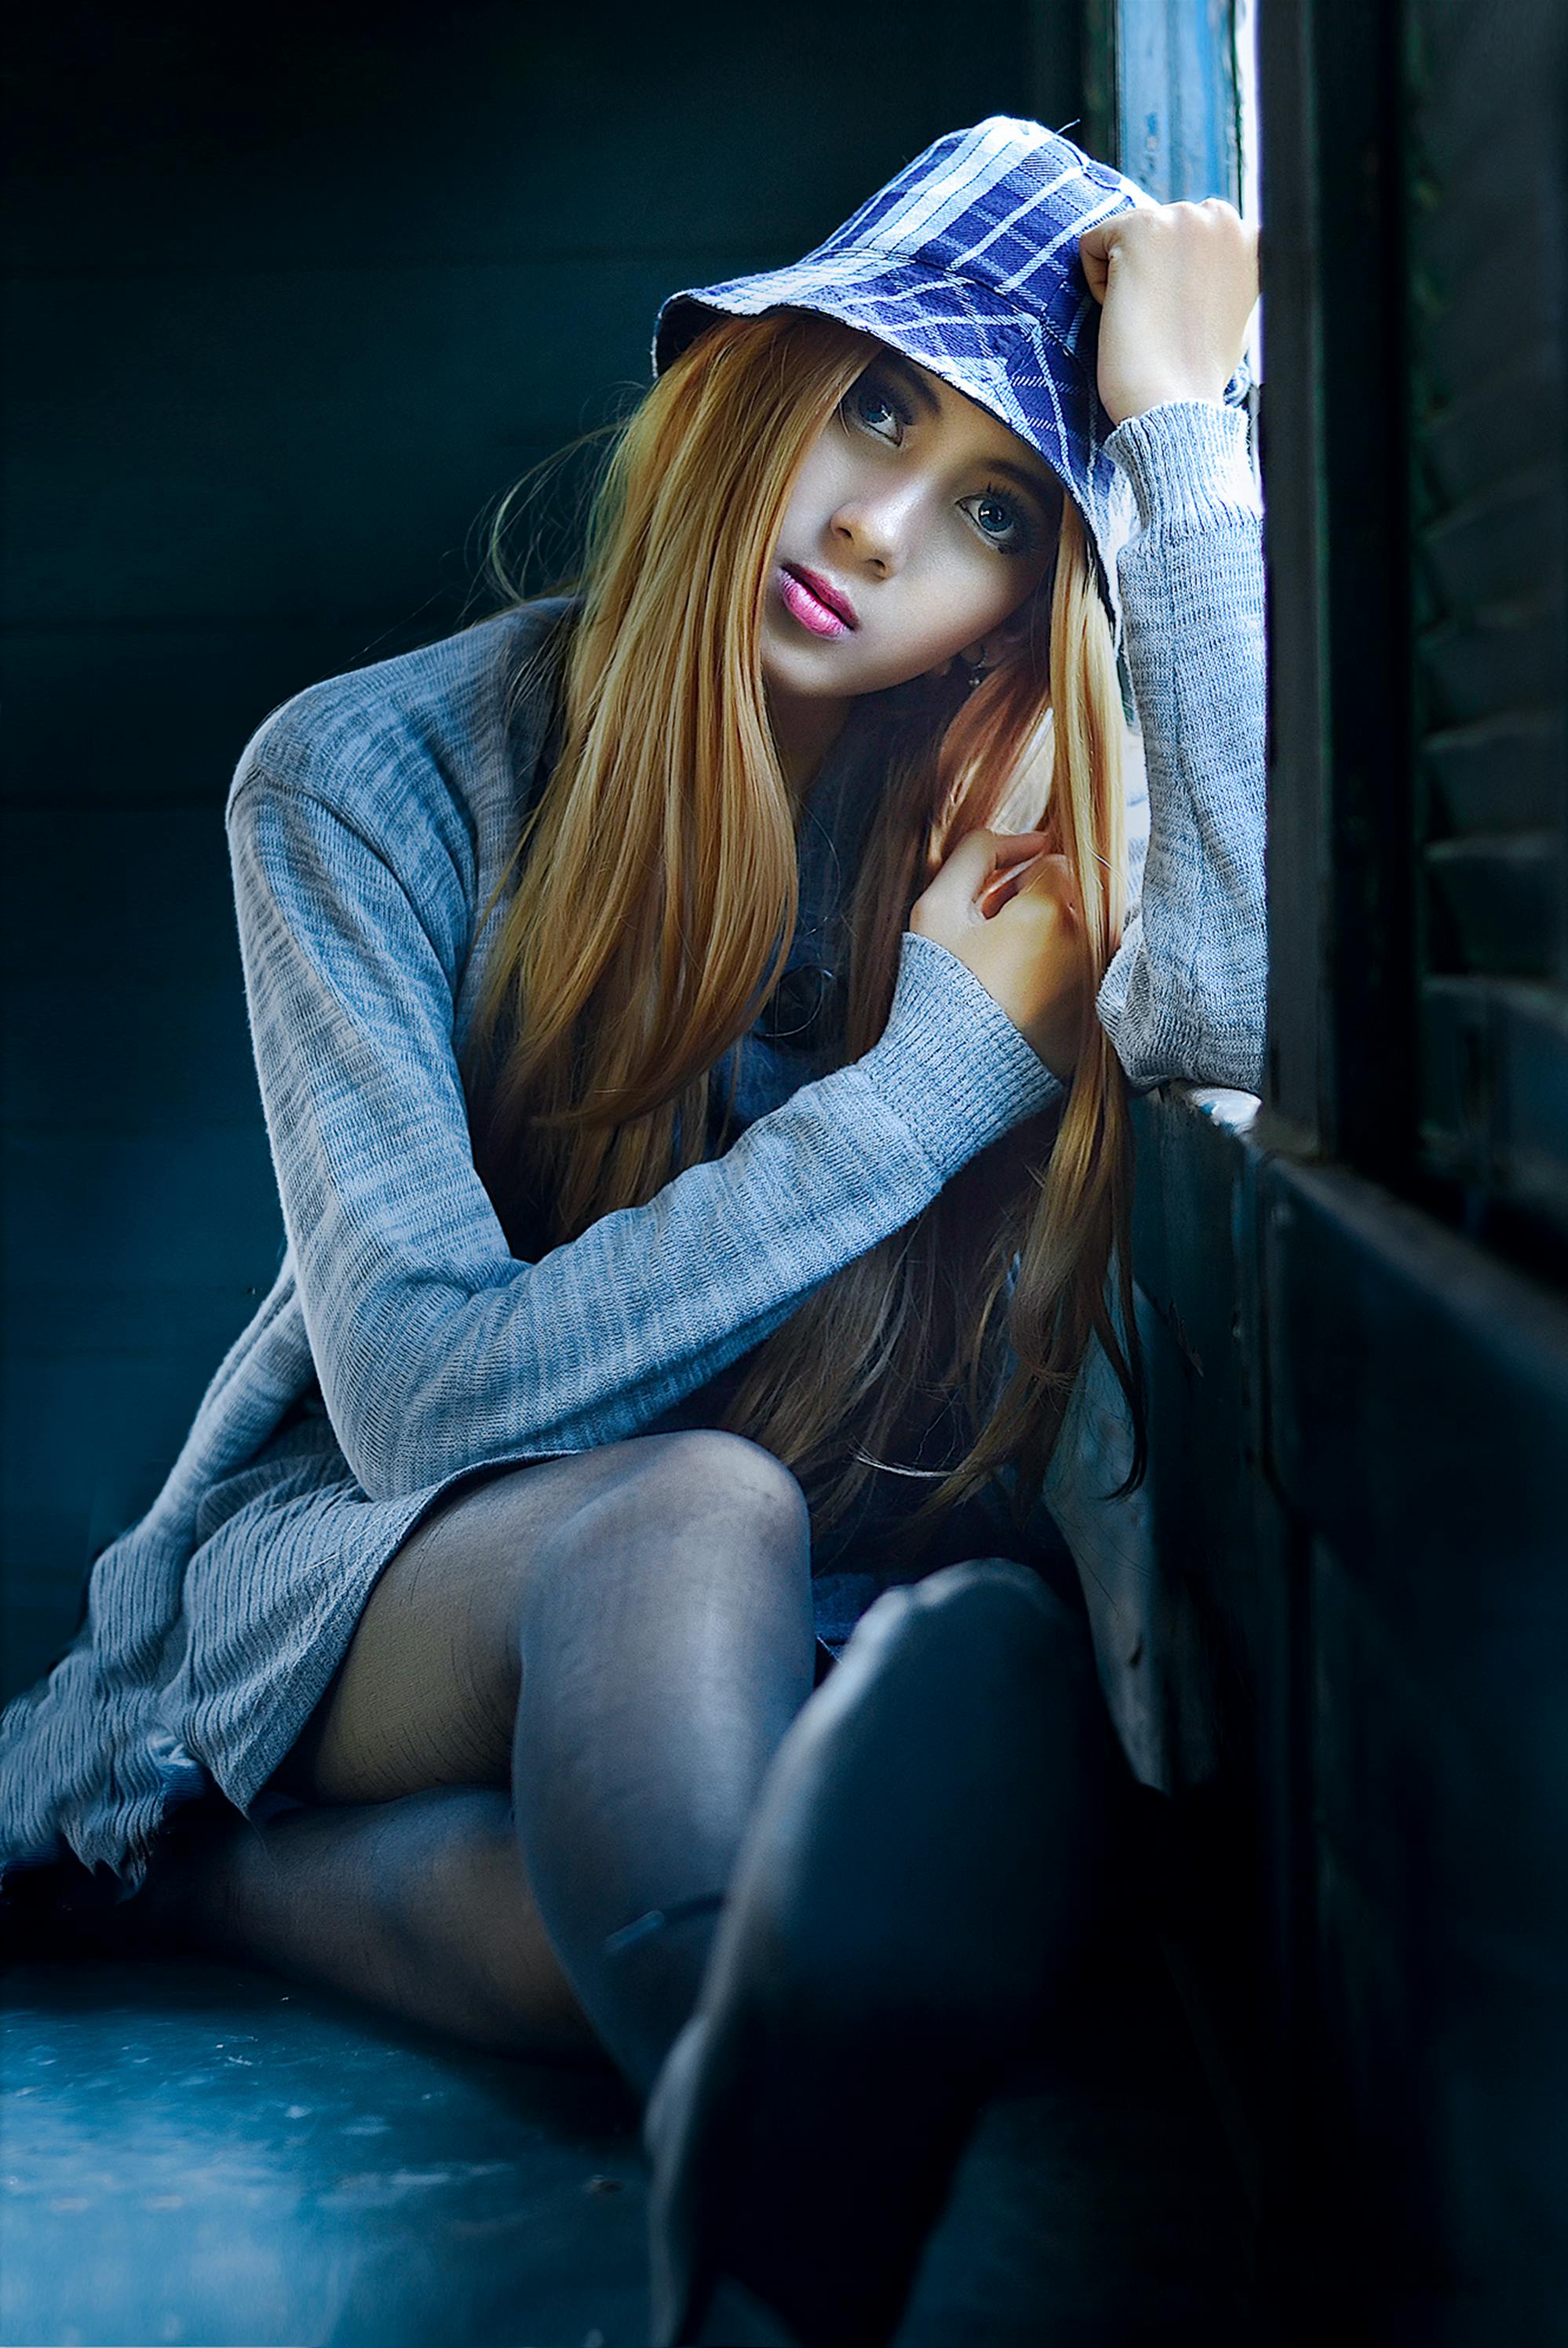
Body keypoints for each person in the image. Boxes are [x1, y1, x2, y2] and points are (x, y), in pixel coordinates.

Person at [0, 118, 1264, 2346]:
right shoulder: (375, 776)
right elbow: (422, 1402)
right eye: (873, 402)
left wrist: (1175, 438)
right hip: (388, 1570)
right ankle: (754, 2148)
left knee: (904, 1755)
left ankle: (214, 1880)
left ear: (1029, 597)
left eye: (989, 509)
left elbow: (1252, 990)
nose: (876, 529)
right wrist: (935, 1079)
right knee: (681, 1509)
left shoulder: (1007, 813)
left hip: (781, 1627)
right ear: (753, 376)